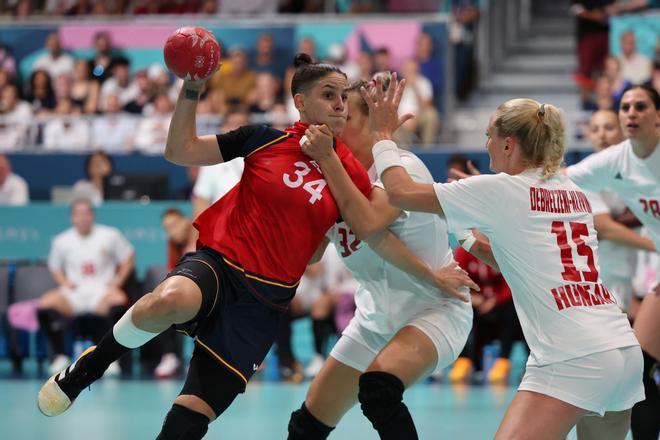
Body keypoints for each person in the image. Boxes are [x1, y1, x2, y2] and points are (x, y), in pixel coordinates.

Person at [37, 54, 458, 439]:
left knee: (195, 410)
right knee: (168, 298)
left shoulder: (356, 178)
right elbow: (180, 150)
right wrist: (192, 89)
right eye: (328, 97)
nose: (338, 109)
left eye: (343, 103)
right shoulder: (266, 139)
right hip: (223, 265)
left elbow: (367, 233)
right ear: (300, 102)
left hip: (268, 303)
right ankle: (89, 367)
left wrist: (431, 270)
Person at [370, 82, 644, 439]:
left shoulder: (500, 188)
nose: (485, 144)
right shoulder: (571, 191)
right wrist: (467, 231)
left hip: (572, 356)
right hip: (622, 349)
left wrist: (381, 135)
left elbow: (399, 192)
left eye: (488, 135)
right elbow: (519, 262)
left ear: (508, 144)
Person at [288, 73, 481, 439]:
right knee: (306, 424)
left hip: (435, 310)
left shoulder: (401, 169)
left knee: (379, 391)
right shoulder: (332, 176)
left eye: (347, 116)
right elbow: (312, 254)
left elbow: (369, 222)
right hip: (375, 317)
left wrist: (327, 162)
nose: (337, 122)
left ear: (372, 123)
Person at [566, 85, 659, 440]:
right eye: (625, 107)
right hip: (627, 282)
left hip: (629, 280)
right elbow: (558, 180)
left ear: (658, 115)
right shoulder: (616, 160)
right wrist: (494, 188)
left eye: (641, 106)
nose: (631, 113)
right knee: (638, 370)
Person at [37, 198, 134, 375]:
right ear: (72, 218)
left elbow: (128, 256)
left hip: (102, 290)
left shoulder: (110, 235)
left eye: (86, 213)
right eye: (78, 214)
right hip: (75, 292)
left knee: (119, 300)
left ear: (92, 215)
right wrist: (64, 282)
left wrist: (117, 281)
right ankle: (59, 355)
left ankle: (112, 358)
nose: (83, 218)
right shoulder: (62, 240)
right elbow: (54, 266)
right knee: (46, 303)